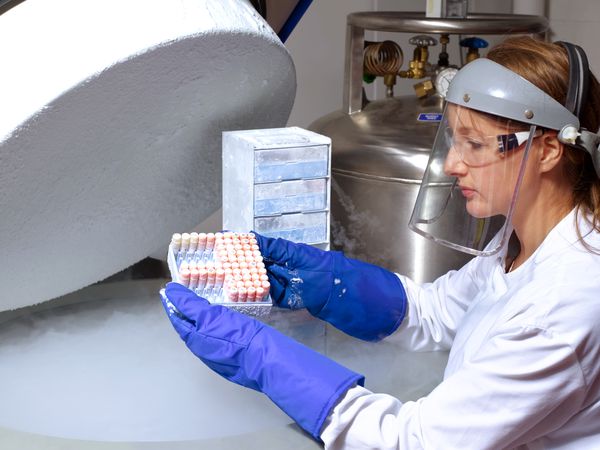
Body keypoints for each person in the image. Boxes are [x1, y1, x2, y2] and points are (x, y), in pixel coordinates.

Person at [160, 36, 600, 449]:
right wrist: (329, 282)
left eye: (475, 145)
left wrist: (264, 358)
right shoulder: (527, 238)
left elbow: (413, 442)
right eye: (453, 141)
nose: (451, 164)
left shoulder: (562, 307)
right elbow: (437, 312)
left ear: (547, 150)